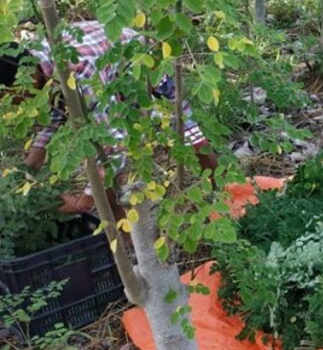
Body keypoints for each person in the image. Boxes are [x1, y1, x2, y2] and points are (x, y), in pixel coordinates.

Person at [0, 21, 217, 213]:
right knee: (102, 173)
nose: (11, 102)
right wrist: (27, 169)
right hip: (105, 66)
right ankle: (123, 238)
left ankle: (223, 193)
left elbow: (114, 149)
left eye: (8, 95)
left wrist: (83, 202)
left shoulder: (78, 77)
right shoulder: (26, 64)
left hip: (139, 62)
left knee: (186, 136)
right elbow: (56, 112)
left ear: (27, 77)